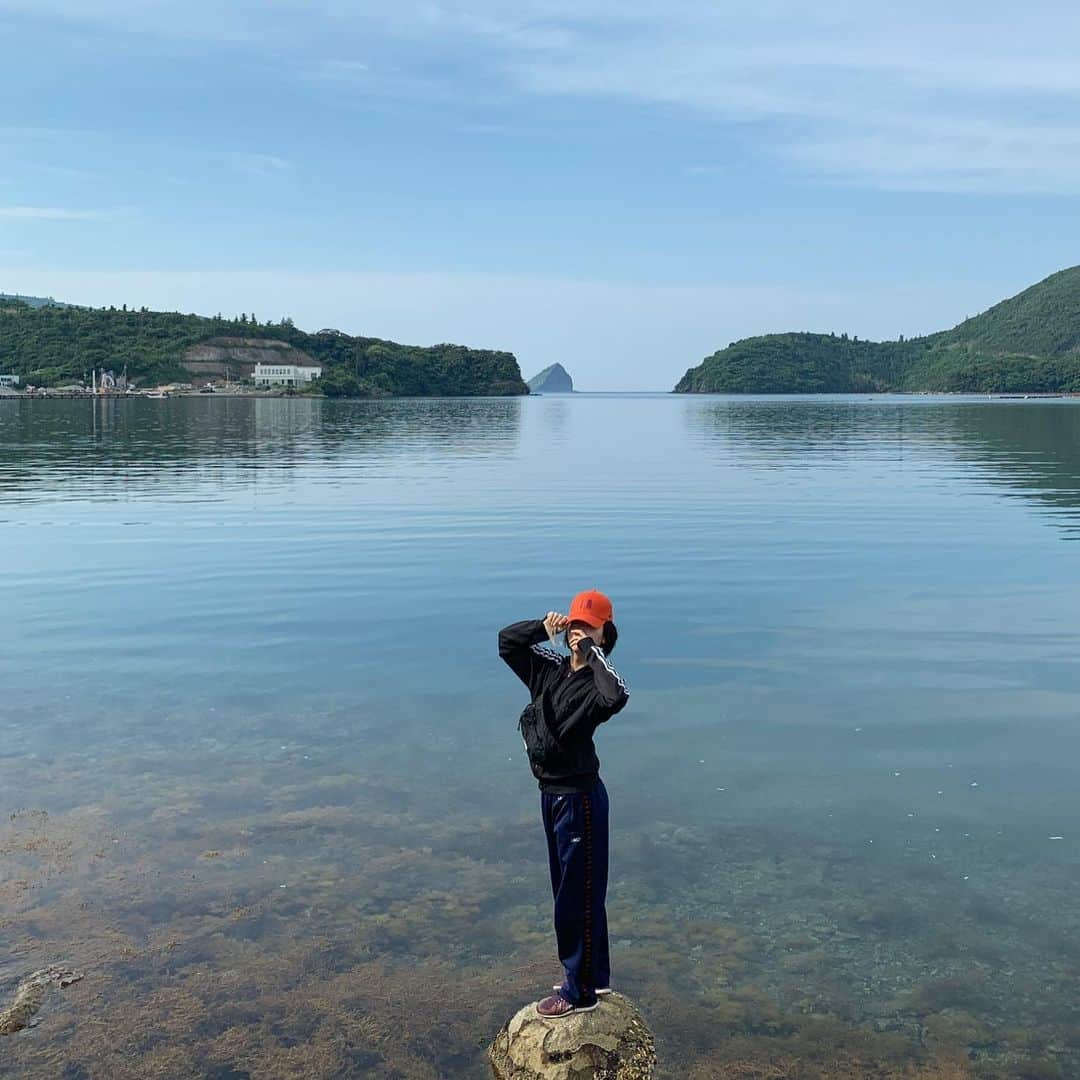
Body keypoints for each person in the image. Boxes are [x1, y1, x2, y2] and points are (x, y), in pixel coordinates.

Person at [498, 589, 630, 1018]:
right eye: (574, 624)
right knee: (569, 891)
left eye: (588, 627)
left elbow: (617, 696)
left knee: (578, 897)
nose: (578, 632)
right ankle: (595, 977)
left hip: (581, 802)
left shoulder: (598, 682)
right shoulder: (549, 670)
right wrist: (543, 627)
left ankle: (580, 992)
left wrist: (593, 653)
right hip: (551, 796)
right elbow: (507, 642)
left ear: (605, 633)